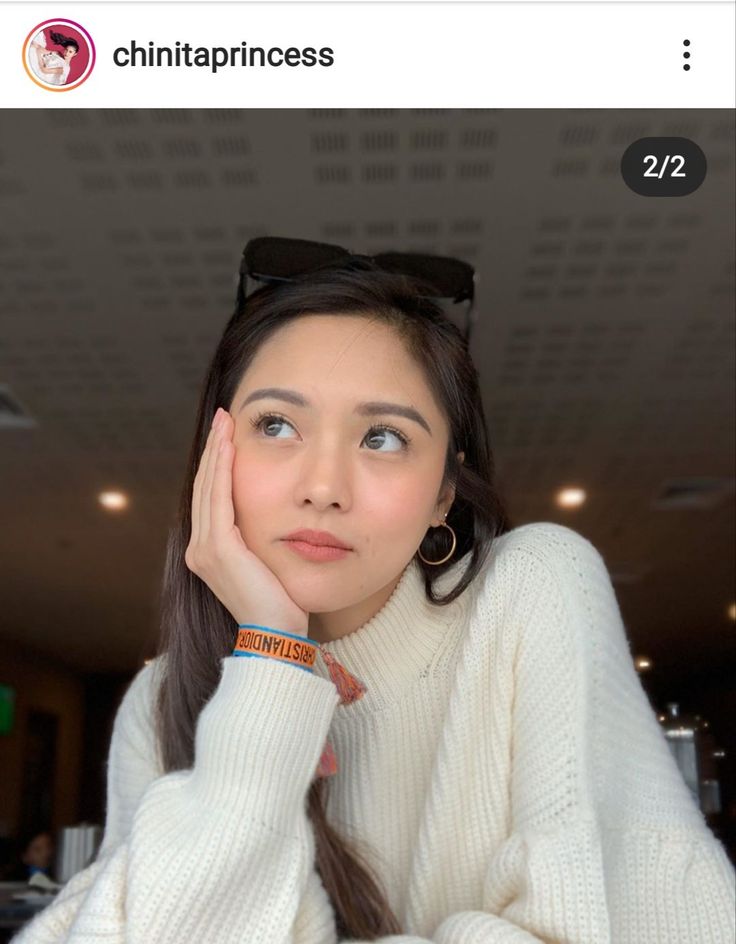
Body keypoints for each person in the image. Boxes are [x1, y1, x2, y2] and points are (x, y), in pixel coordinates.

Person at [13, 238, 735, 942]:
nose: (323, 487)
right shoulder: (167, 696)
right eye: (275, 424)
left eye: (383, 437)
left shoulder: (533, 591)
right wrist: (270, 660)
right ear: (215, 453)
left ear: (444, 492)